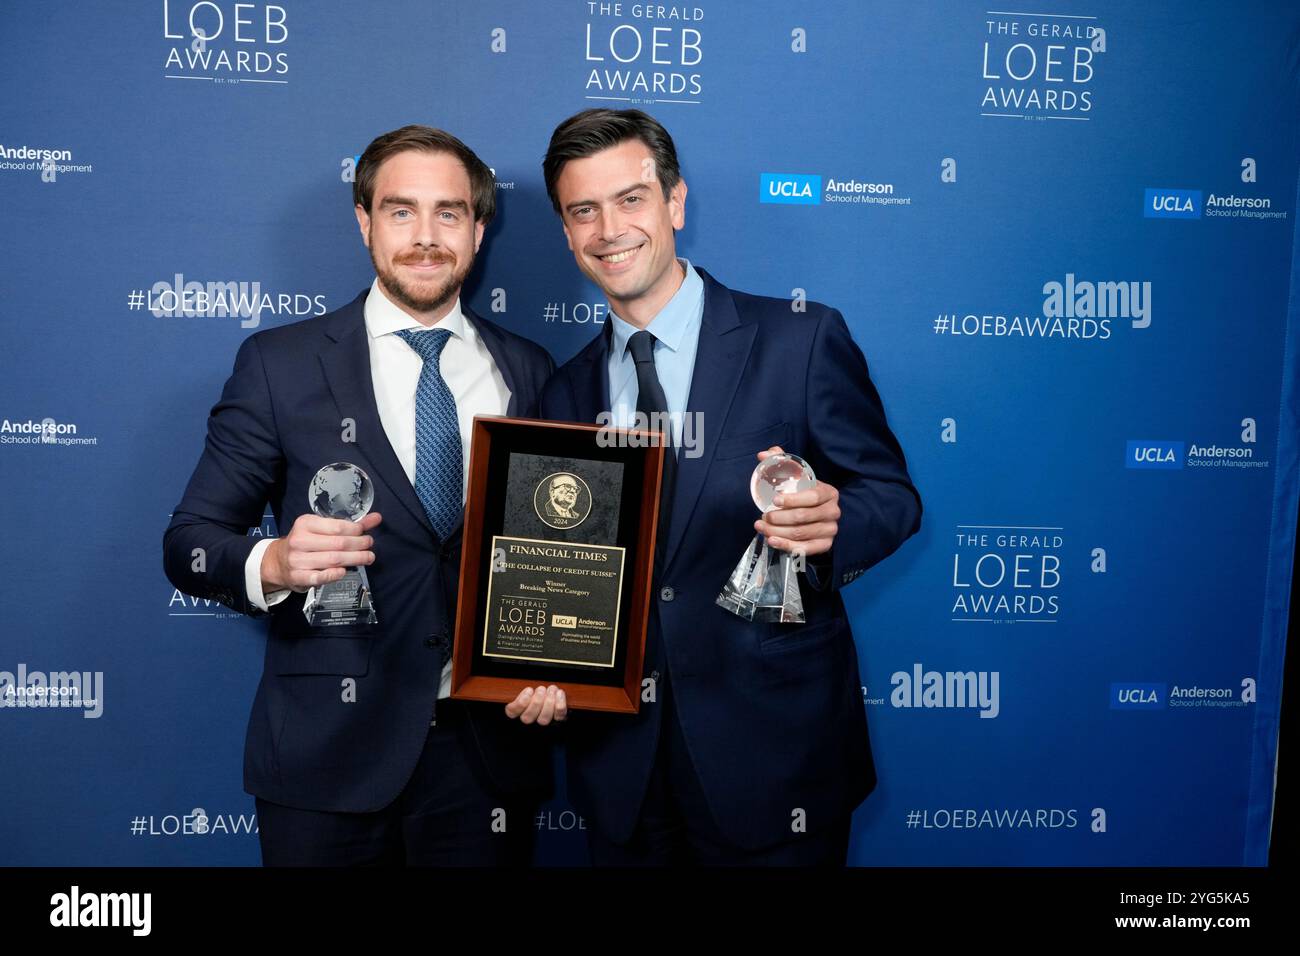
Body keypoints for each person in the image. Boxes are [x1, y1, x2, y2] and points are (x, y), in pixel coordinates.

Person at [529, 108, 923, 865]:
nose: (610, 228)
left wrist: (837, 522)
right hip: (621, 770)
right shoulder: (563, 393)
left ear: (675, 202)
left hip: (777, 758)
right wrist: (539, 662)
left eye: (631, 199)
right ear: (568, 234)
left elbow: (892, 496)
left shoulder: (800, 339)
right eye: (584, 211)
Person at [163, 125, 563, 866]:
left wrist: (555, 664)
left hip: (488, 763)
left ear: (478, 229)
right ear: (364, 221)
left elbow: (554, 550)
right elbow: (189, 541)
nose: (425, 237)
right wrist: (275, 563)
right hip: (326, 762)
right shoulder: (278, 365)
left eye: (448, 213)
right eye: (400, 211)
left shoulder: (530, 370)